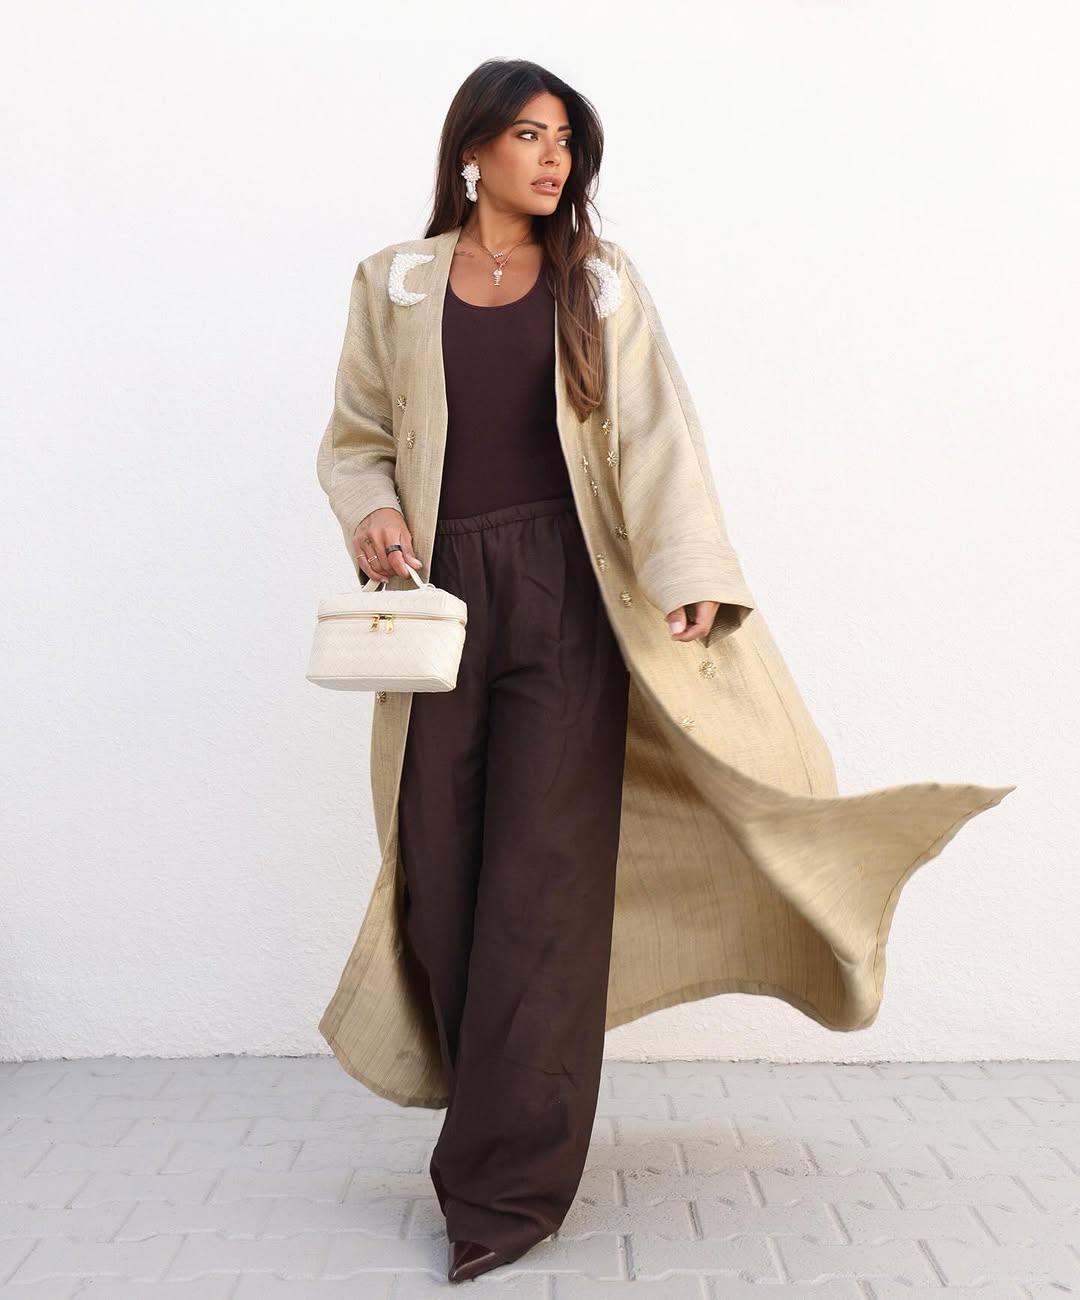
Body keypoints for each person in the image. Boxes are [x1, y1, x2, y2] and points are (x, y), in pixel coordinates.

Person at [315, 57, 1015, 1286]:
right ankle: (492, 1117)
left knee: (542, 887)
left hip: (571, 601)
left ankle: (504, 1188)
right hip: (440, 608)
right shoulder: (395, 282)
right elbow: (357, 437)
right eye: (529, 135)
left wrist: (689, 567)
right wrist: (370, 508)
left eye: (567, 141)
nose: (553, 159)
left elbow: (655, 434)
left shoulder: (599, 281)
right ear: (471, 149)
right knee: (440, 875)